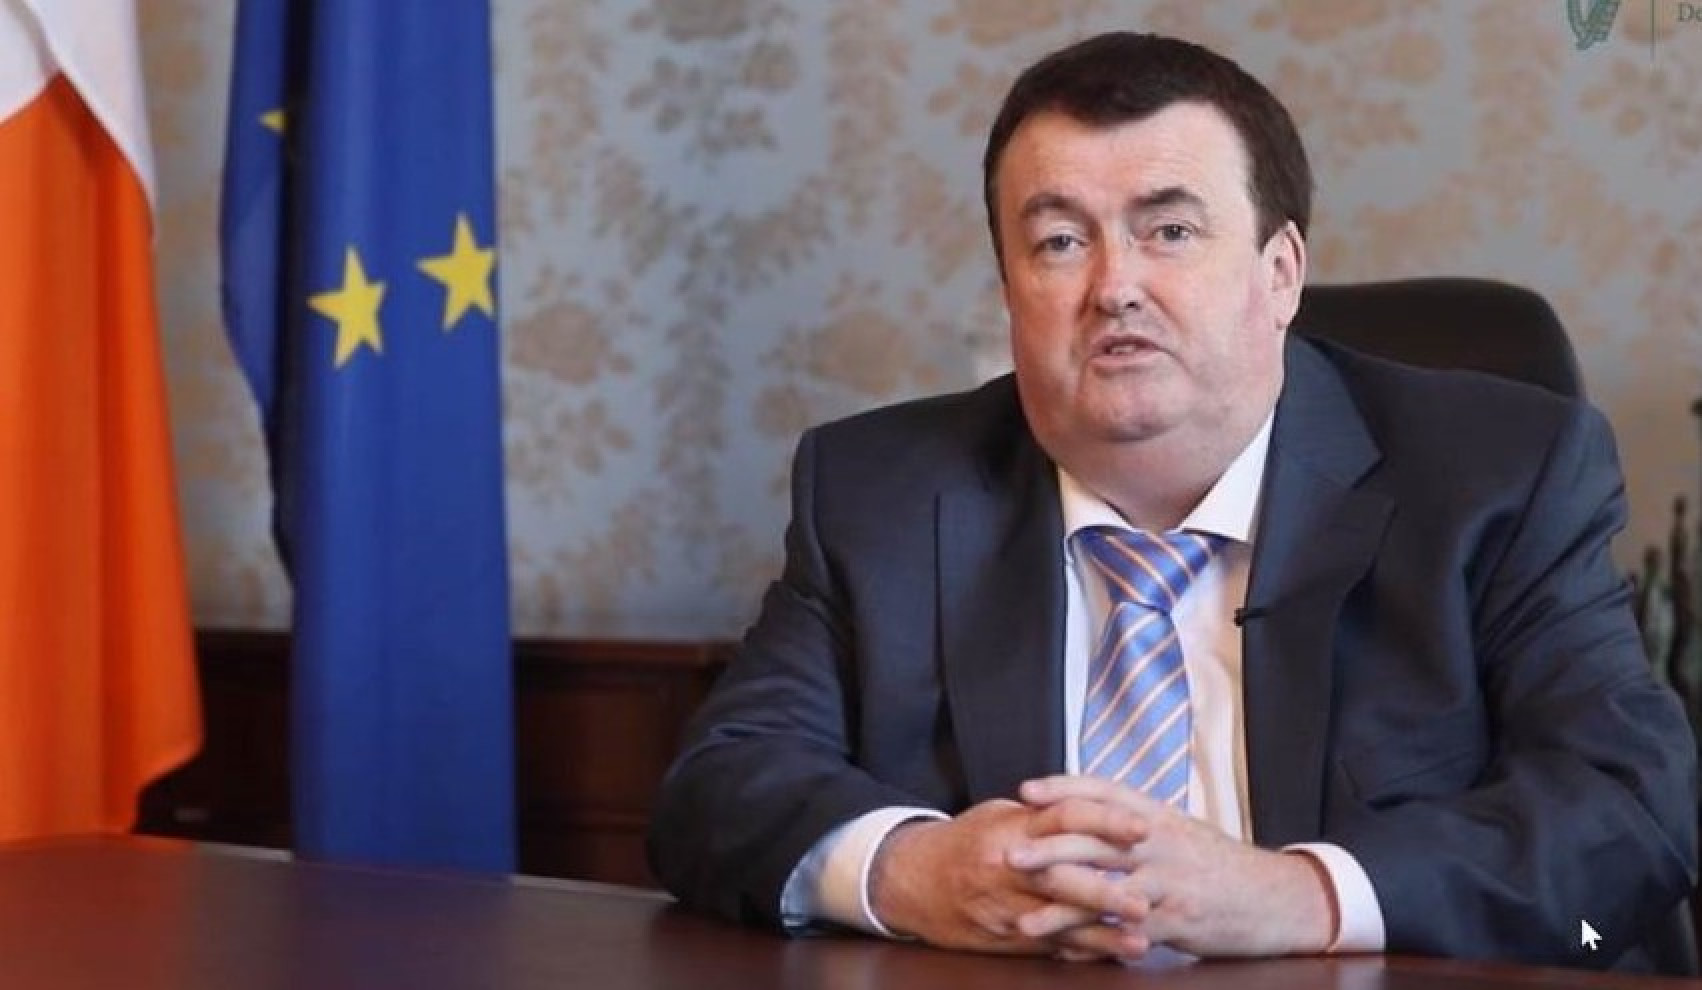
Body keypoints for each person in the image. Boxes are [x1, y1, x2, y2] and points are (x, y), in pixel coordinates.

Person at [646, 31, 1698, 972]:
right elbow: (720, 789)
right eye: (1060, 240)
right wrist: (917, 871)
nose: (1114, 287)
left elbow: (1626, 807)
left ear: (1279, 273)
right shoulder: (881, 491)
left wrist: (1292, 894)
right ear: (1010, 290)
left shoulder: (1496, 475)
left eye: (1169, 231)